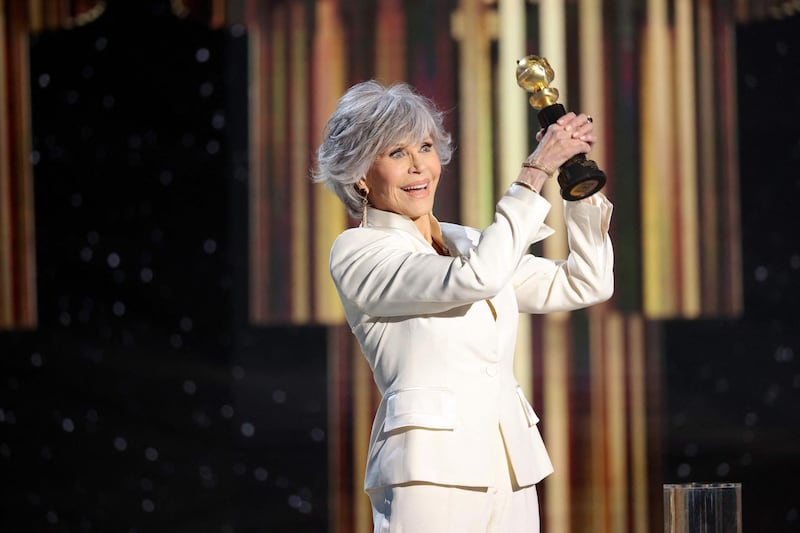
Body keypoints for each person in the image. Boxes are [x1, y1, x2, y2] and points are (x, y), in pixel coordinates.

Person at [312, 79, 613, 533]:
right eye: (396, 154)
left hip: (510, 467)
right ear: (359, 173)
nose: (419, 168)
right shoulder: (359, 251)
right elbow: (479, 278)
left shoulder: (468, 242)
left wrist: (576, 180)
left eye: (426, 147)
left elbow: (585, 282)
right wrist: (534, 172)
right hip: (429, 474)